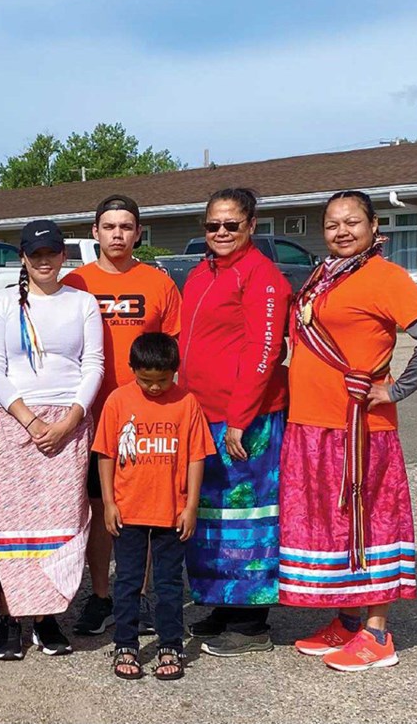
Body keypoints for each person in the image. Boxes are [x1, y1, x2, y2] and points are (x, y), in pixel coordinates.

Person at [279, 190, 417, 671]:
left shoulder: (385, 277)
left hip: (359, 429)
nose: (341, 231)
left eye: (352, 222)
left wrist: (398, 389)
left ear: (373, 227)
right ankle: (347, 620)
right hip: (311, 422)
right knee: (335, 525)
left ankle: (377, 632)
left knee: (369, 522)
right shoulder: (324, 276)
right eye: (332, 224)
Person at [0, 219, 104, 660]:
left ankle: (49, 616)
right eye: (36, 254)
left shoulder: (82, 302)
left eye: (52, 252)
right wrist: (30, 421)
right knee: (11, 522)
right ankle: (11, 617)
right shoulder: (1, 303)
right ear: (23, 258)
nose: (45, 261)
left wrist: (72, 418)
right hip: (19, 420)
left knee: (61, 522)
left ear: (63, 255)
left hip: (70, 422)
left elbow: (93, 365)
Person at [178, 188, 291, 657]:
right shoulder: (202, 272)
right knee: (212, 517)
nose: (221, 232)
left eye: (231, 225)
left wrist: (242, 420)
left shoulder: (263, 277)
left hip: (246, 419)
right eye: (213, 225)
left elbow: (263, 353)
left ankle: (251, 622)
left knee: (247, 515)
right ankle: (223, 602)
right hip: (203, 415)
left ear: (251, 226)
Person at [62, 194, 182, 636]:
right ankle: (101, 595)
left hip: (144, 415)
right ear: (94, 232)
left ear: (137, 233)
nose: (117, 234)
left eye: (126, 227)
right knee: (98, 509)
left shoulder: (159, 283)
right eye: (108, 226)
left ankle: (141, 595)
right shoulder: (75, 281)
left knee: (142, 511)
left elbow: (173, 351)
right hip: (88, 414)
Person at [93, 333, 212, 680]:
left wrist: (190, 505)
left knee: (170, 583)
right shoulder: (118, 400)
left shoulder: (187, 402)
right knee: (128, 581)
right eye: (146, 380)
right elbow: (106, 454)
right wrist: (109, 503)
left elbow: (195, 457)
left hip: (171, 513)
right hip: (128, 511)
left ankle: (170, 644)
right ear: (132, 370)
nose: (156, 387)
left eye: (163, 380)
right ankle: (126, 643)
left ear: (175, 372)